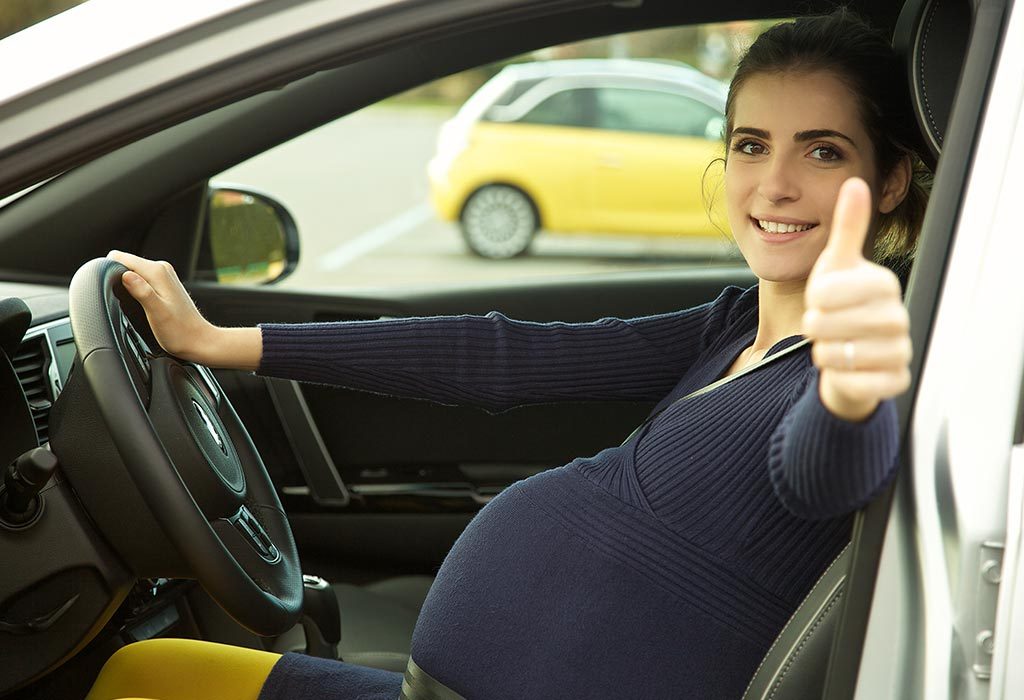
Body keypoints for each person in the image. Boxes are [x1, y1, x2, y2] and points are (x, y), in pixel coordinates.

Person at [103, 9, 927, 700]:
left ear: (891, 182)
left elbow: (821, 473)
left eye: (824, 152)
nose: (774, 185)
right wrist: (220, 343)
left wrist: (848, 400)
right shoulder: (732, 325)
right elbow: (501, 357)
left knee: (136, 678)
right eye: (751, 144)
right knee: (141, 673)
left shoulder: (861, 352)